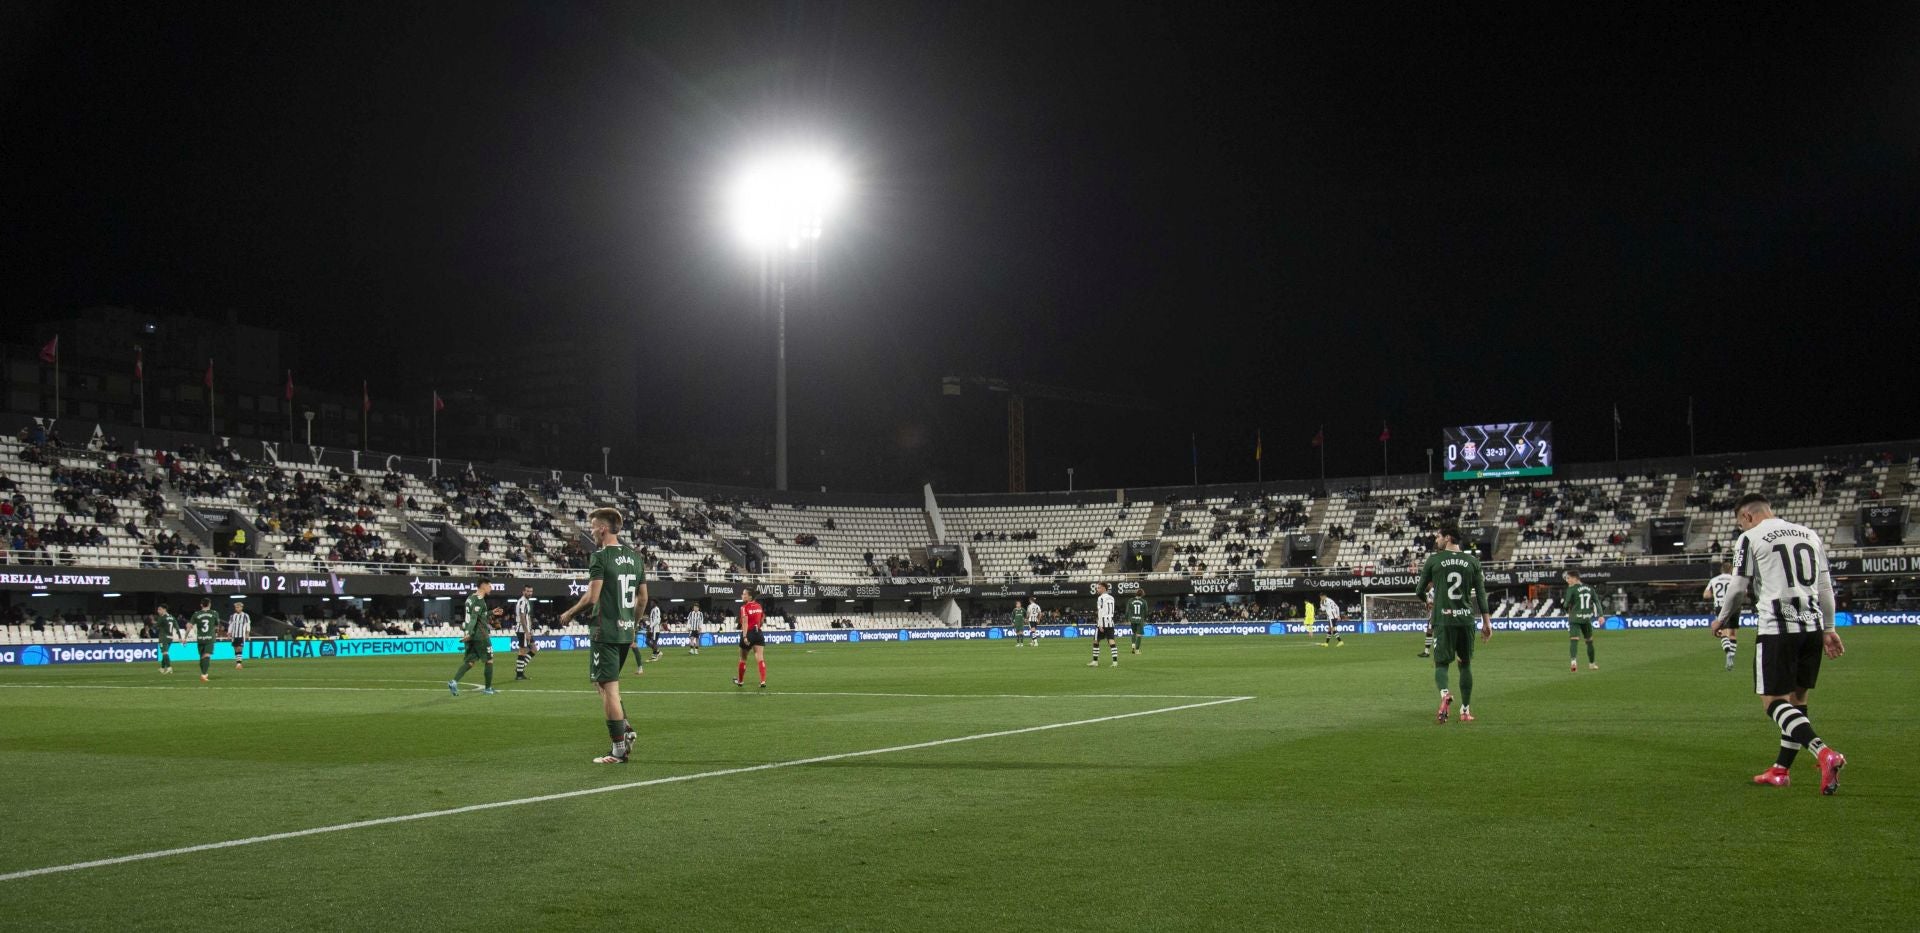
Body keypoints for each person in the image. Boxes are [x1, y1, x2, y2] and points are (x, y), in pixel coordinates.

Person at [1710, 494, 1848, 793]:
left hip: (1778, 628)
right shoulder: (1809, 534)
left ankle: (1824, 753)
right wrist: (1829, 628)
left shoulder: (1750, 537)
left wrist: (1721, 619)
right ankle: (1781, 770)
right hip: (1811, 627)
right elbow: (1825, 587)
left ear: (1746, 517)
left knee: (1773, 703)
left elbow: (1737, 588)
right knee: (1798, 702)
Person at [558, 507, 646, 764]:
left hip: (604, 630)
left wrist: (570, 613)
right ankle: (626, 729)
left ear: (604, 528)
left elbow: (592, 597)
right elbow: (643, 599)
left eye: (594, 526)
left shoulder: (600, 557)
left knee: (608, 688)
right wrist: (632, 625)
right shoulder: (635, 558)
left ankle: (618, 749)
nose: (592, 531)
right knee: (603, 683)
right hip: (622, 631)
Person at [1414, 524, 1491, 723]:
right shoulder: (1473, 561)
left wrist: (1428, 601)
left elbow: (1419, 590)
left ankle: (1445, 695)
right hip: (1465, 619)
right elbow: (1481, 594)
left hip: (1444, 619)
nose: (1436, 540)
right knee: (1465, 664)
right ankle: (1465, 711)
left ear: (1448, 538)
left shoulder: (1434, 560)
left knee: (1441, 664)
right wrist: (1487, 622)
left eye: (1438, 536)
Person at [445, 580, 499, 696]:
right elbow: (474, 618)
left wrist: (490, 612)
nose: (491, 588)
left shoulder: (470, 598)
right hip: (480, 634)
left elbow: (478, 615)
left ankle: (454, 681)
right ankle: (488, 688)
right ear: (483, 586)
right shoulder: (479, 600)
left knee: (470, 661)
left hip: (472, 635)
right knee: (489, 660)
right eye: (490, 586)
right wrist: (468, 633)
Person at [1704, 560, 1739, 671]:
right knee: (1732, 634)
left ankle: (1727, 652)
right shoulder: (1735, 579)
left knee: (1723, 632)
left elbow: (1706, 595)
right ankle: (1731, 656)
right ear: (1731, 570)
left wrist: (1716, 595)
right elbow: (1744, 593)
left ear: (1721, 570)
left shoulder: (1714, 580)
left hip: (1719, 607)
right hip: (1733, 607)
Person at [1563, 570, 1599, 672]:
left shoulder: (1571, 589)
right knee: (1589, 641)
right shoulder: (1589, 588)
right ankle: (1592, 664)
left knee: (1574, 640)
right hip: (1586, 618)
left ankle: (1573, 662)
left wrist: (1566, 607)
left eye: (1568, 578)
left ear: (1575, 578)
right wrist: (1600, 616)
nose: (1567, 580)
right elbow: (1596, 601)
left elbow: (1566, 604)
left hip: (1575, 618)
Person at [735, 588, 767, 688]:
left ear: (749, 597)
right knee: (760, 657)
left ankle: (740, 681)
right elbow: (762, 619)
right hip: (758, 633)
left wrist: (744, 636)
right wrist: (758, 627)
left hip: (748, 633)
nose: (742, 595)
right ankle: (762, 681)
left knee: (743, 658)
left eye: (744, 594)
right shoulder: (759, 606)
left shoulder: (744, 607)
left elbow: (744, 622)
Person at [188, 597, 222, 683]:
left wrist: (185, 637)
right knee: (206, 656)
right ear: (210, 604)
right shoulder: (214, 613)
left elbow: (189, 626)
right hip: (210, 638)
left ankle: (204, 674)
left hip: (200, 639)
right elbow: (217, 626)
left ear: (201, 605)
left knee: (202, 657)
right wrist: (217, 633)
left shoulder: (196, 614)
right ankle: (204, 674)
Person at [1090, 583, 1118, 667]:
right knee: (1111, 640)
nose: (1097, 589)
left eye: (1098, 588)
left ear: (1103, 588)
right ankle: (1115, 662)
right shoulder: (1112, 598)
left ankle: (1095, 661)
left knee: (1096, 641)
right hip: (1110, 622)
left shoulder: (1100, 598)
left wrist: (1100, 624)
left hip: (1102, 622)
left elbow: (1100, 611)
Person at [513, 584, 537, 680]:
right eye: (527, 591)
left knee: (534, 649)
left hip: (526, 629)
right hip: (522, 630)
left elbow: (527, 617)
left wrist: (530, 630)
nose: (529, 593)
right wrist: (527, 631)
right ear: (523, 592)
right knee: (522, 650)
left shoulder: (526, 601)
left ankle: (520, 668)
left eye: (531, 591)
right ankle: (519, 674)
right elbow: (522, 617)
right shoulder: (522, 602)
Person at [226, 600, 252, 669]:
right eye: (236, 607)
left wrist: (247, 633)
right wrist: (229, 634)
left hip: (241, 635)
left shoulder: (245, 616)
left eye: (238, 607)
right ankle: (238, 662)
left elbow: (248, 625)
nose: (237, 608)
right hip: (234, 636)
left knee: (239, 648)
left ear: (241, 608)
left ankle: (239, 664)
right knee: (235, 649)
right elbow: (230, 625)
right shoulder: (232, 616)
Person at [153, 604, 176, 674]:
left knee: (164, 652)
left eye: (159, 609)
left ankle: (169, 667)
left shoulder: (162, 617)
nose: (158, 611)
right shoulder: (171, 617)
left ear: (164, 609)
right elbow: (176, 627)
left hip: (163, 637)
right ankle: (162, 668)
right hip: (170, 637)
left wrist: (153, 622)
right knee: (164, 653)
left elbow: (155, 626)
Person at [1125, 590, 1148, 654]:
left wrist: (1127, 620)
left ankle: (1133, 646)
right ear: (1142, 594)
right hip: (1140, 620)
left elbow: (1127, 611)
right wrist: (1145, 619)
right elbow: (1146, 612)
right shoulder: (1144, 601)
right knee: (1139, 635)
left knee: (1133, 633)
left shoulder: (1130, 600)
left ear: (1136, 593)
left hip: (1132, 619)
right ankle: (1137, 650)